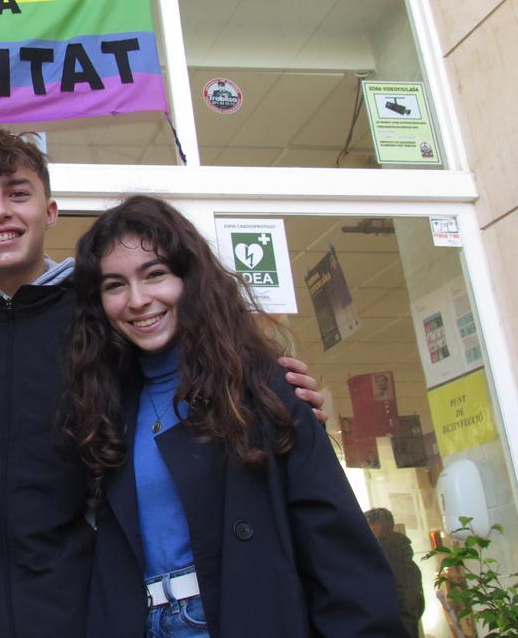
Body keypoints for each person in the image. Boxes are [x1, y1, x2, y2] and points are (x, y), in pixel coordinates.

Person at [0, 129, 325, 637]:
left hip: (88, 611)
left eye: (18, 192)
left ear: (50, 212)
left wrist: (272, 391)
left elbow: (196, 373)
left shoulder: (102, 311)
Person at [62, 195, 407, 637]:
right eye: (114, 285)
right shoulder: (105, 407)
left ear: (190, 279)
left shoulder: (264, 388)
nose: (138, 300)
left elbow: (336, 548)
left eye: (155, 275)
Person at [366, 507, 425, 638]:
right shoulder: (401, 556)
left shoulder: (386, 555)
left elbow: (405, 600)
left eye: (366, 528)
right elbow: (415, 603)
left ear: (376, 527)